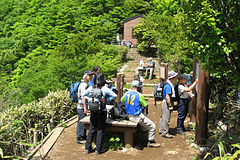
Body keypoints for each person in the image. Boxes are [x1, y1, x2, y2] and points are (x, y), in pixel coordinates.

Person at [83, 72, 117, 155]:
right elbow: (115, 95)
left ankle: (87, 148)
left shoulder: (91, 87)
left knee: (92, 128)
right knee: (100, 129)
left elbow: (83, 95)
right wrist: (107, 100)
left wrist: (90, 100)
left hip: (93, 111)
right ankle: (98, 149)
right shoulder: (104, 88)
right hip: (102, 111)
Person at [121, 80, 160, 148]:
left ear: (131, 86)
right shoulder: (139, 95)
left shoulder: (126, 93)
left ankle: (140, 140)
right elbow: (145, 105)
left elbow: (122, 100)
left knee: (143, 127)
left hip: (128, 115)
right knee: (152, 126)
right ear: (138, 87)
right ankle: (151, 141)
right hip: (136, 116)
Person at [159, 71, 178, 138]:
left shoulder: (168, 84)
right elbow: (168, 97)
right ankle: (165, 132)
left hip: (165, 102)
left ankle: (161, 130)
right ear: (172, 78)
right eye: (175, 77)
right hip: (166, 102)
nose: (176, 78)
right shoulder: (168, 86)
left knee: (163, 117)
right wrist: (170, 105)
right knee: (166, 117)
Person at [76, 70, 93, 144]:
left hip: (81, 106)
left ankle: (83, 136)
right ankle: (79, 138)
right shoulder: (84, 85)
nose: (91, 77)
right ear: (85, 76)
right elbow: (83, 97)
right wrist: (85, 108)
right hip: (81, 107)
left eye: (91, 76)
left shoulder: (85, 84)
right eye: (89, 76)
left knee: (82, 121)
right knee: (81, 122)